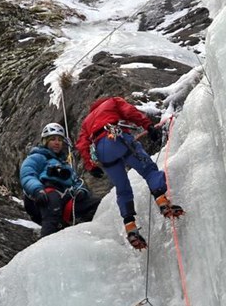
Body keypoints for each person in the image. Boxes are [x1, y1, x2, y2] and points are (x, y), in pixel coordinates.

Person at [75, 96, 184, 250]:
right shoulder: (112, 101)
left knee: (122, 188)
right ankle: (162, 202)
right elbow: (130, 112)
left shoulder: (87, 121)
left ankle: (130, 227)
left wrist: (90, 165)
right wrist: (148, 126)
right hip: (116, 137)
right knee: (148, 170)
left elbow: (82, 144)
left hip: (102, 151)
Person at [20, 122, 99, 237]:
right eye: (53, 139)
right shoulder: (37, 157)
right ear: (45, 141)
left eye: (60, 140)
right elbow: (27, 174)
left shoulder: (66, 165)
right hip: (42, 196)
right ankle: (47, 241)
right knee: (53, 205)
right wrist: (37, 190)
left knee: (95, 204)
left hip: (65, 199)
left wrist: (81, 191)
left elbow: (77, 181)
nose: (57, 143)